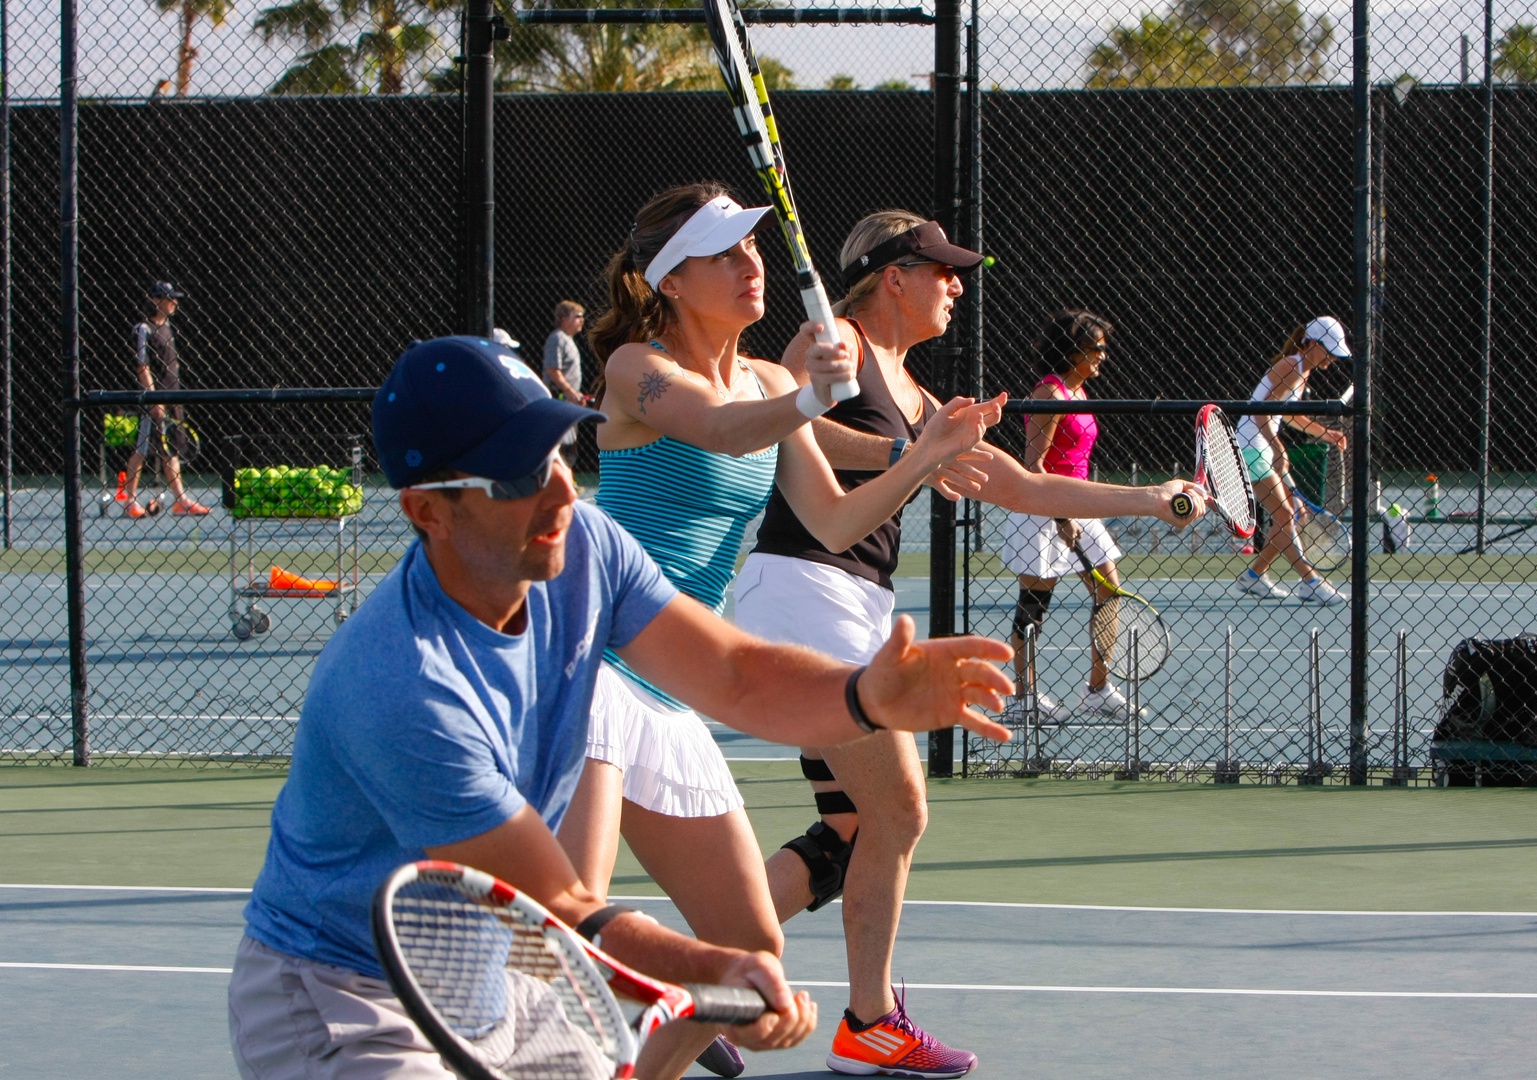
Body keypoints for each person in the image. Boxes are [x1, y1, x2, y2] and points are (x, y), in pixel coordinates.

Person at [226, 334, 1016, 1080]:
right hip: (347, 994)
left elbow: (734, 673)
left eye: (560, 453)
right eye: (514, 477)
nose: (560, 492)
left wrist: (865, 696)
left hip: (490, 969)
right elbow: (562, 903)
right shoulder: (403, 685)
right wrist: (716, 971)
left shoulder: (585, 549)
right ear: (427, 512)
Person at [732, 211, 1206, 1078]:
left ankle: (714, 982)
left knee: (850, 830)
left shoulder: (918, 396)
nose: (956, 284)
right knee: (901, 811)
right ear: (892, 278)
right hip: (807, 589)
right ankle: (869, 1024)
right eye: (940, 269)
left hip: (853, 603)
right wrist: (902, 444)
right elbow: (788, 425)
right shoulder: (830, 346)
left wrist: (1148, 497)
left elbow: (1023, 487)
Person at [555, 183, 1001, 1080]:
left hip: (672, 684)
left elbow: (834, 520)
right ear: (671, 280)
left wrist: (922, 458)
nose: (749, 263)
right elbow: (720, 431)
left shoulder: (765, 380)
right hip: (591, 666)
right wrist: (809, 396)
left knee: (749, 956)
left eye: (752, 246)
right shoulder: (637, 369)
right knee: (572, 924)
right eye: (723, 253)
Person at [999, 309, 1133, 719]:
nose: (1103, 356)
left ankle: (1098, 689)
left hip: (1079, 504)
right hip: (1041, 509)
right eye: (1096, 348)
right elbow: (1034, 465)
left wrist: (1074, 512)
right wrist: (1061, 517)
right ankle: (1023, 698)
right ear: (1073, 351)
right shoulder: (1049, 395)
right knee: (1034, 606)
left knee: (1109, 591)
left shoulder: (1078, 393)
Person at [1234, 316, 1351, 605]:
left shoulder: (1301, 370)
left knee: (1291, 514)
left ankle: (1255, 576)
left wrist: (1327, 434)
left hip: (1258, 445)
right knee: (1286, 515)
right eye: (1328, 350)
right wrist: (1277, 448)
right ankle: (1311, 581)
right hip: (1252, 446)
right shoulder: (1291, 366)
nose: (1332, 358)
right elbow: (1261, 412)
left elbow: (1289, 415)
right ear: (1311, 343)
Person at [124, 281, 209, 518]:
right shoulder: (143, 329)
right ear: (155, 300)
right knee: (142, 449)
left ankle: (180, 501)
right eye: (170, 298)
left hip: (173, 398)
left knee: (170, 450)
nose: (175, 303)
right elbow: (142, 366)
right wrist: (153, 399)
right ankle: (130, 501)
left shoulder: (167, 327)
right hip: (154, 399)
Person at [544, 301, 590, 465]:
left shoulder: (568, 340)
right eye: (577, 316)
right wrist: (570, 392)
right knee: (561, 447)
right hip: (559, 401)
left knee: (570, 447)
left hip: (568, 401)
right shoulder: (557, 338)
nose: (582, 320)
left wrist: (575, 395)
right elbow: (552, 371)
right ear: (564, 319)